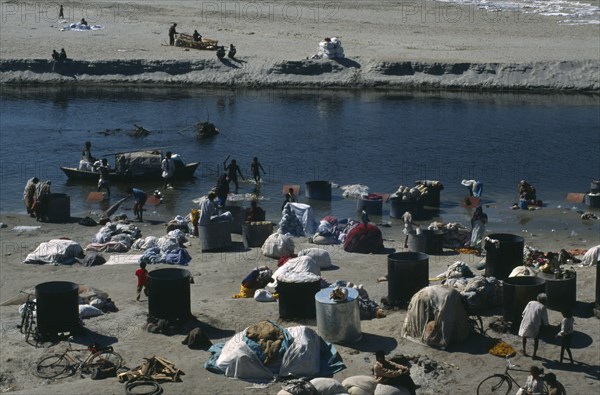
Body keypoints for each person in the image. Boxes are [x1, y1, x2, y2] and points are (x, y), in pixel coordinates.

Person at [519, 293, 549, 359]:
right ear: (544, 301)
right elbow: (545, 319)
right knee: (536, 339)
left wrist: (524, 317)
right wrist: (546, 325)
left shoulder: (531, 302)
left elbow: (524, 312)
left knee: (524, 336)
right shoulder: (542, 307)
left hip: (526, 322)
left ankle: (524, 351)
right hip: (535, 324)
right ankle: (534, 355)